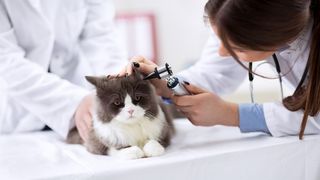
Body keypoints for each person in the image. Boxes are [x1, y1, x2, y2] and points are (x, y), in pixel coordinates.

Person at [118, 0, 320, 140]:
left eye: (238, 47)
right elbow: (215, 73)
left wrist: (233, 114)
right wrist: (165, 84)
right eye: (220, 39)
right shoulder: (231, 15)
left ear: (279, 34)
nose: (223, 52)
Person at [0, 0, 127, 141]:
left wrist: (117, 88)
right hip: (19, 118)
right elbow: (6, 61)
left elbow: (101, 37)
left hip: (82, 105)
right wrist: (75, 101)